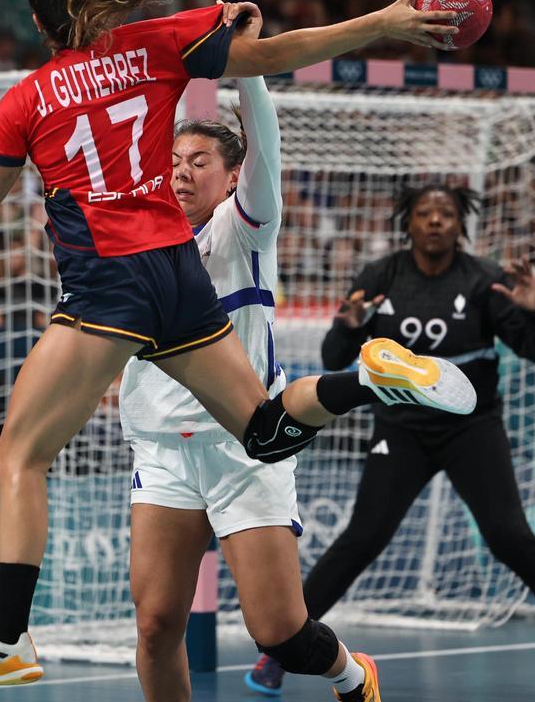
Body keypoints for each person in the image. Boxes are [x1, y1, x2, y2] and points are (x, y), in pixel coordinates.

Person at [0, 0, 471, 690]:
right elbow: (281, 51)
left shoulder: (23, 100)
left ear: (42, 15)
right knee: (263, 430)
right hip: (177, 276)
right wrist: (387, 20)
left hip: (108, 289)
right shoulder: (155, 44)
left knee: (19, 452)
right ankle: (362, 380)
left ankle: (12, 637)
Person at [245, 184, 535, 701]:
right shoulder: (381, 277)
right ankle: (280, 652)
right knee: (362, 538)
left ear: (459, 223)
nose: (436, 221)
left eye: (445, 213)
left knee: (511, 538)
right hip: (401, 428)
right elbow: (336, 355)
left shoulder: (485, 280)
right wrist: (346, 325)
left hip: (472, 429)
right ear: (410, 223)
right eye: (425, 213)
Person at [123, 69, 387, 701]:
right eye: (175, 161)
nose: (182, 171)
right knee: (157, 625)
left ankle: (353, 676)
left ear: (234, 174)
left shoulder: (243, 230)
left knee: (279, 632)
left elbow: (264, 144)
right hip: (162, 451)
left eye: (200, 161)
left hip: (248, 449)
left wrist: (247, 71)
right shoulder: (135, 244)